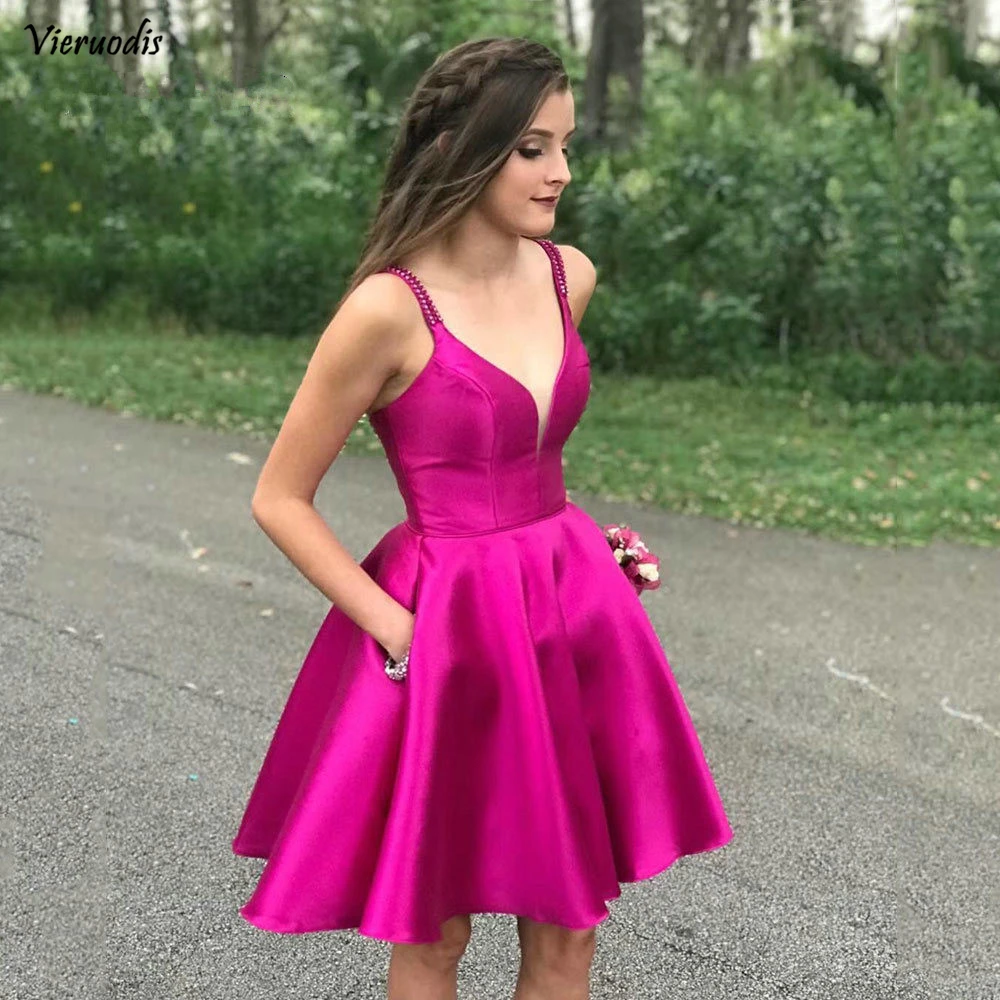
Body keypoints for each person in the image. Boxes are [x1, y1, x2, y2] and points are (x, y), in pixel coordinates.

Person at [231, 35, 734, 1000]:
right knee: (438, 931)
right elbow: (278, 497)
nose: (562, 172)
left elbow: (528, 446)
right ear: (459, 148)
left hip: (569, 609)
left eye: (566, 146)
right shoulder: (388, 310)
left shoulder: (568, 276)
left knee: (571, 930)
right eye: (533, 149)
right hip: (450, 624)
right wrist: (399, 631)